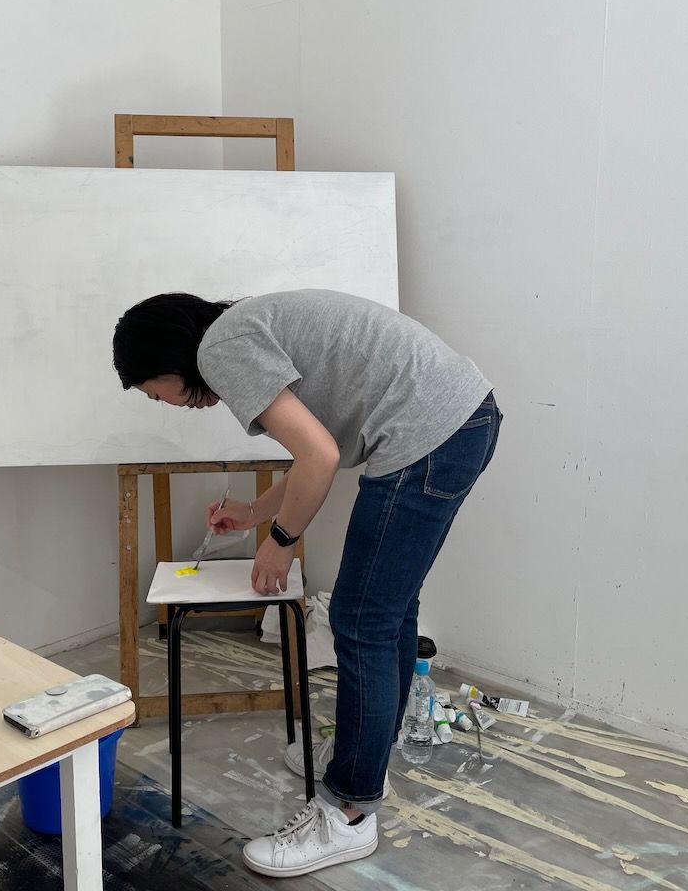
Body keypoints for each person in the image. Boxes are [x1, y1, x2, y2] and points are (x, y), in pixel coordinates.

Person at [112, 288, 501, 878]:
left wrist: (281, 540)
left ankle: (348, 810)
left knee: (361, 620)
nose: (163, 403)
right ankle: (368, 752)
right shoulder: (244, 329)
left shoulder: (220, 347)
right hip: (460, 420)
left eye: (152, 391)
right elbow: (321, 449)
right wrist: (254, 514)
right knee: (387, 613)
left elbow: (318, 456)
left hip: (429, 432)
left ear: (165, 361)